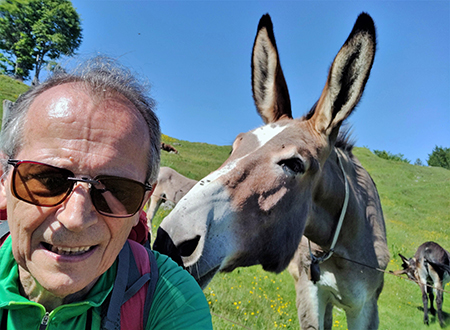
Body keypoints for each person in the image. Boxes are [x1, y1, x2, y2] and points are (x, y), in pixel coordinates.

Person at [0, 56, 213, 329]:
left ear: (141, 208)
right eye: (49, 180)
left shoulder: (171, 299)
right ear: (4, 182)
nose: (75, 219)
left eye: (116, 190)